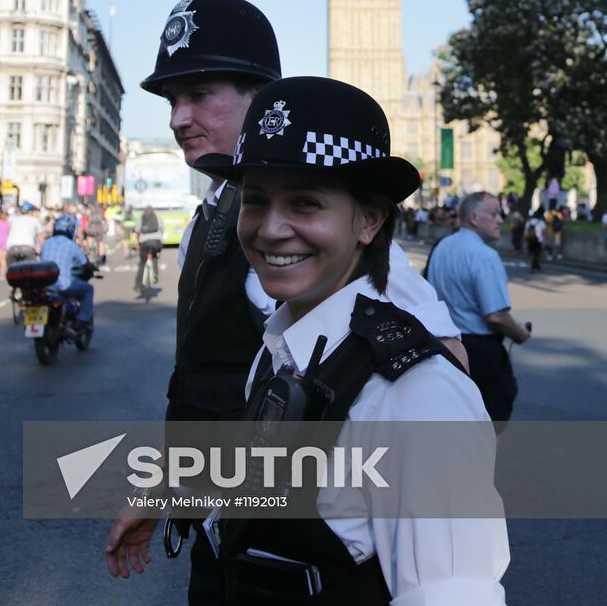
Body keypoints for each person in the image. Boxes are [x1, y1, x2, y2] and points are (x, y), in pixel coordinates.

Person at [105, 0, 468, 599]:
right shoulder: (213, 221)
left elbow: (441, 365)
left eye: (199, 94)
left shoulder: (329, 249)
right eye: (171, 100)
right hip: (233, 547)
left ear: (263, 99)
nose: (176, 118)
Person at [202, 77, 511, 603]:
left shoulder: (416, 395)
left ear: (369, 221)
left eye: (304, 203)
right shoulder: (278, 347)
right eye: (255, 201)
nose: (270, 228)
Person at [428, 191, 531, 426]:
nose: (500, 220)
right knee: (491, 424)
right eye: (494, 214)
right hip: (482, 352)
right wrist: (520, 333)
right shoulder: (485, 256)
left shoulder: (441, 247)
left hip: (444, 346)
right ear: (474, 218)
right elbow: (496, 315)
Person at [39, 214, 94, 328]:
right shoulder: (72, 245)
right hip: (63, 285)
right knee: (88, 289)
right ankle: (82, 320)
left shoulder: (46, 243)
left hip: (45, 285)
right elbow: (85, 264)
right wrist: (93, 267)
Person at [134, 205, 164, 294]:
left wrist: (138, 241)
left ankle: (138, 284)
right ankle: (155, 274)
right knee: (155, 256)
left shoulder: (141, 217)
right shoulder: (157, 216)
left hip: (144, 242)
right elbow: (162, 228)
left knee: (142, 263)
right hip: (156, 242)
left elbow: (137, 230)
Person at [524, 209, 546, 274]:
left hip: (530, 239)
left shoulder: (529, 222)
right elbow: (544, 232)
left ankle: (535, 266)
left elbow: (526, 232)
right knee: (537, 253)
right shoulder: (541, 222)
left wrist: (526, 239)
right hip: (539, 240)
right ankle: (535, 266)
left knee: (532, 253)